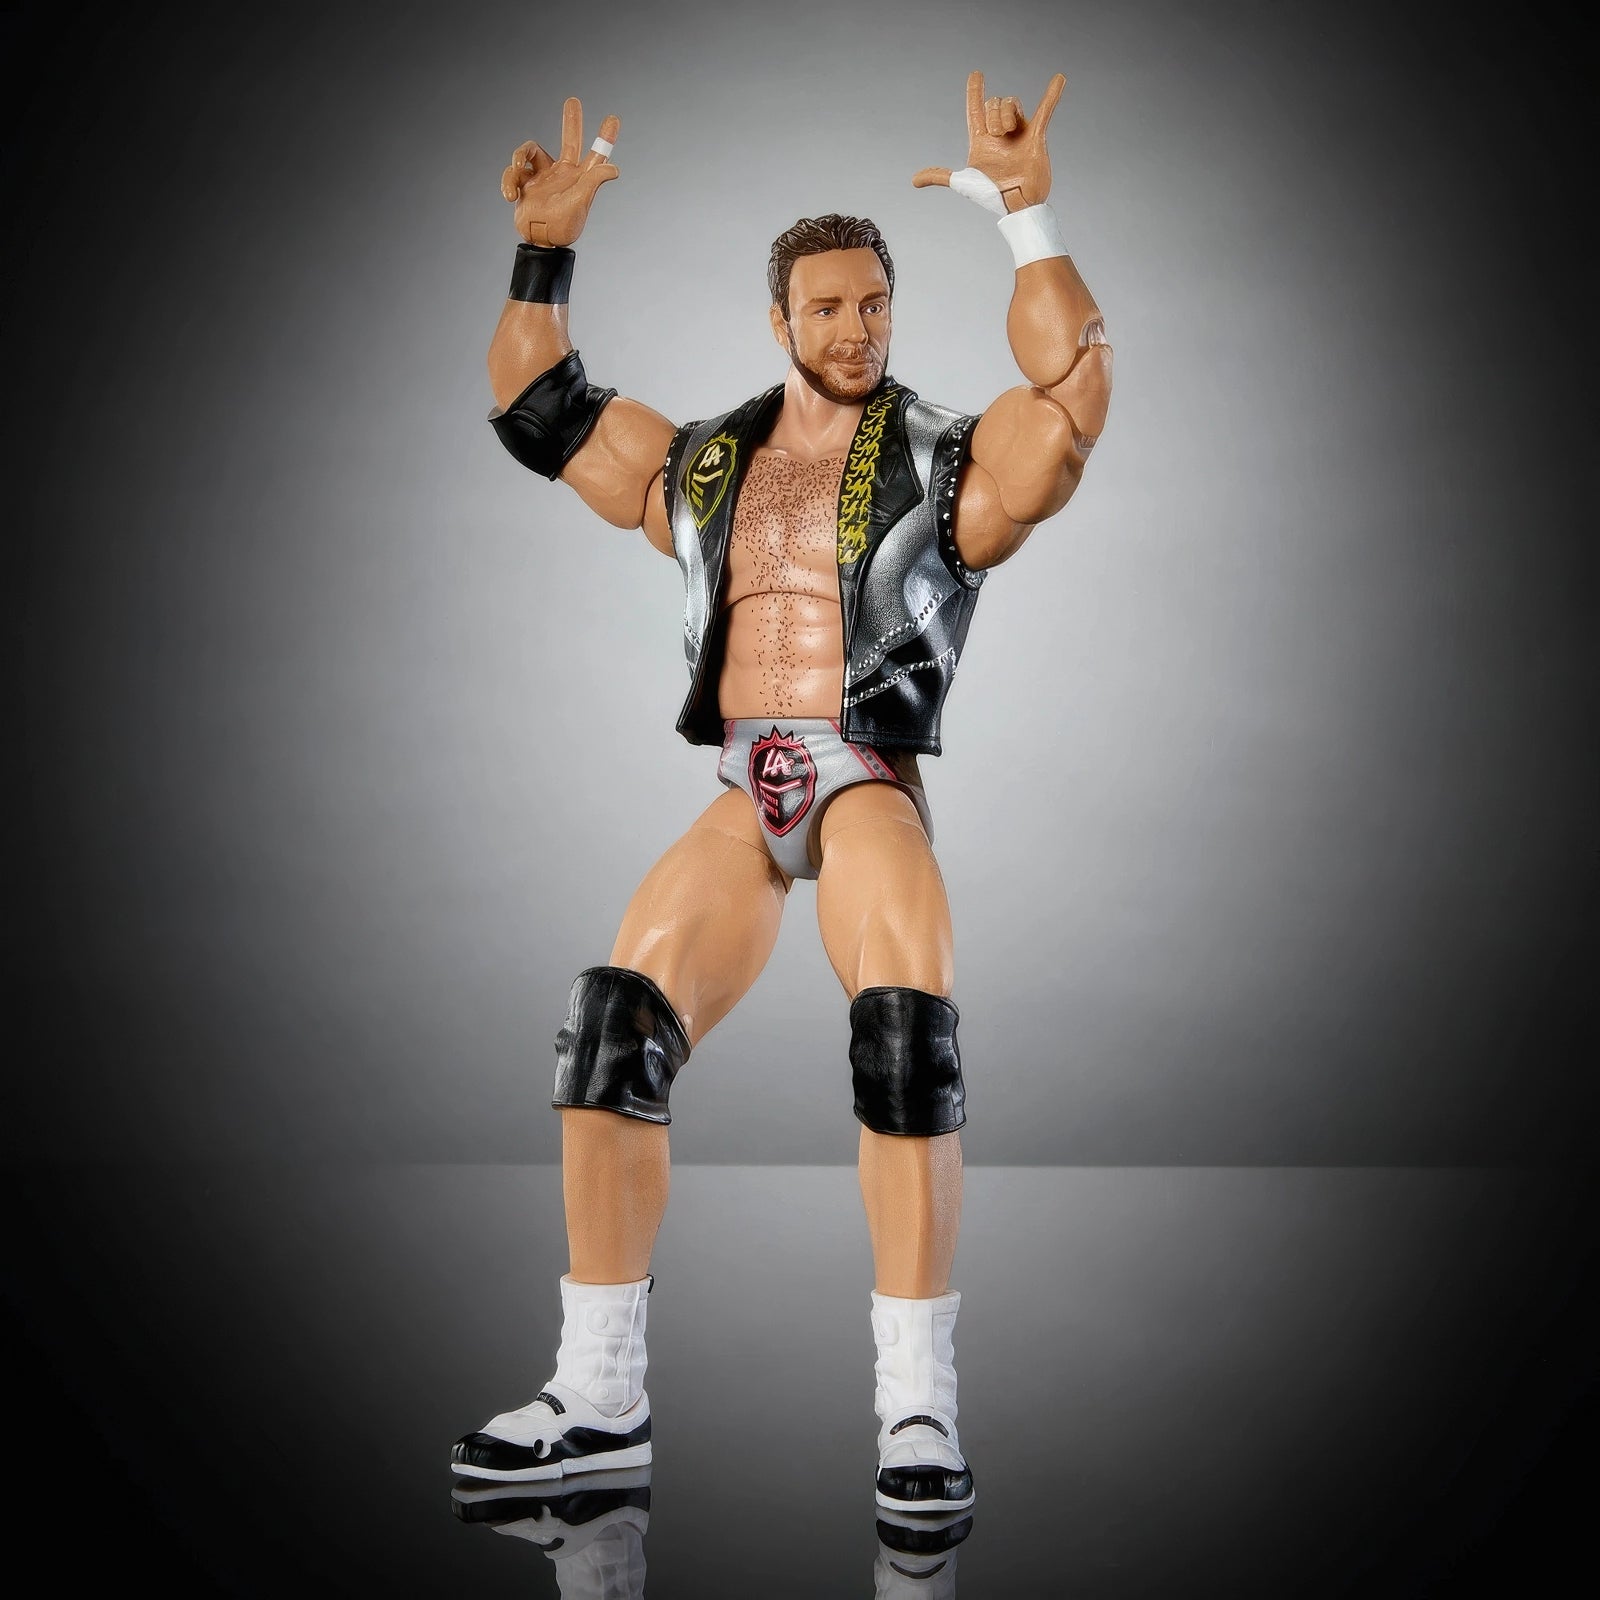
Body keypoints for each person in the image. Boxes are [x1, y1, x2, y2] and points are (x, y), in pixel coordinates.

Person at [450, 71, 1112, 1515]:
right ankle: (600, 1395)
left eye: (875, 303)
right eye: (826, 308)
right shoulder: (704, 464)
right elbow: (534, 405)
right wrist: (544, 247)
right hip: (746, 780)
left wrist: (1025, 213)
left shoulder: (941, 458)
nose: (856, 328)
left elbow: (1070, 403)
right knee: (613, 1025)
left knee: (906, 1038)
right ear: (779, 321)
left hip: (866, 778)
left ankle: (919, 1408)